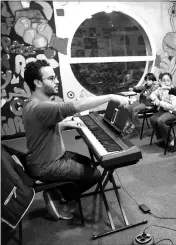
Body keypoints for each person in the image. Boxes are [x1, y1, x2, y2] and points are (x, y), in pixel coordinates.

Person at [22, 60, 130, 220]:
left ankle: (59, 190)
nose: (56, 81)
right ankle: (60, 198)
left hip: (47, 157)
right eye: (51, 78)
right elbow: (76, 105)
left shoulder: (32, 104)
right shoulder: (41, 108)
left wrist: (66, 124)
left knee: (87, 162)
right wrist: (110, 97)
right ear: (38, 82)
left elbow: (43, 128)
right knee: (95, 175)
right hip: (46, 165)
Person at [149, 72, 176, 152]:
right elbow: (152, 94)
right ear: (161, 81)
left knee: (160, 121)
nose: (166, 82)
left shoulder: (173, 91)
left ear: (171, 81)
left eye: (168, 80)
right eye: (164, 80)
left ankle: (171, 140)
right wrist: (156, 99)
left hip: (175, 111)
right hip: (166, 109)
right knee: (152, 119)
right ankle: (162, 139)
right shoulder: (160, 88)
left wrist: (160, 103)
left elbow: (173, 106)